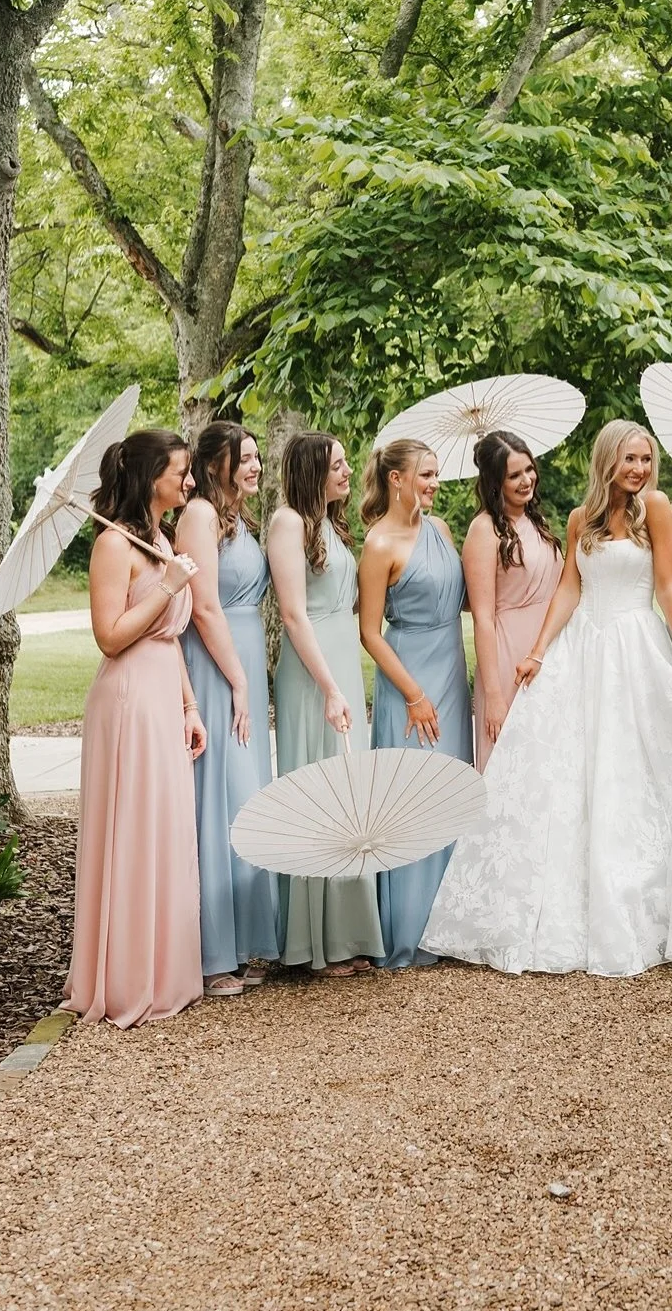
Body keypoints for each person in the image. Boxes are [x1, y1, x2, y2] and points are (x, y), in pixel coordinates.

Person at [422, 421, 672, 976]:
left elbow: (666, 587)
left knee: (636, 771)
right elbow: (568, 589)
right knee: (569, 770)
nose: (640, 468)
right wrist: (538, 650)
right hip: (583, 646)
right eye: (630, 458)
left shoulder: (655, 507)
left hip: (635, 645)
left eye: (646, 458)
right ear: (609, 461)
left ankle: (643, 906)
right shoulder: (580, 518)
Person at [64, 430, 205, 1026]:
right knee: (129, 829)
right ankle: (121, 980)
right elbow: (111, 636)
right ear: (151, 478)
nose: (190, 482)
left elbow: (170, 639)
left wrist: (189, 706)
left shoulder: (161, 539)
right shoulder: (111, 547)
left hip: (161, 695)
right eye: (180, 472)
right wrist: (169, 585)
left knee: (164, 827)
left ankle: (163, 970)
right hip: (124, 701)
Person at [269, 432, 383, 975]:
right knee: (318, 790)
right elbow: (294, 614)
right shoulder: (288, 522)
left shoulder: (333, 527)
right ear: (313, 469)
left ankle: (348, 932)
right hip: (311, 673)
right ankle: (315, 944)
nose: (346, 471)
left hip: (341, 663)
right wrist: (331, 687)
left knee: (349, 793)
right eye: (337, 464)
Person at [358, 438, 472, 966]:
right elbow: (370, 633)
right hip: (411, 677)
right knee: (414, 793)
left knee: (450, 786)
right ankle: (411, 927)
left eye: (436, 473)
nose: (434, 483)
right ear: (396, 479)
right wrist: (414, 695)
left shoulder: (441, 530)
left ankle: (451, 922)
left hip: (452, 666)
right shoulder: (379, 544)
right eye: (425, 474)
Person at [177, 422, 280, 999]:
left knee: (248, 792)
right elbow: (204, 606)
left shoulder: (242, 520)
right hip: (215, 665)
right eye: (245, 458)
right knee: (218, 793)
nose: (256, 466)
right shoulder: (199, 516)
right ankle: (215, 949)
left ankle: (250, 937)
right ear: (217, 464)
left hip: (241, 664)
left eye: (258, 458)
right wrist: (239, 680)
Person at [461, 431, 563, 770]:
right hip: (508, 656)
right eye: (514, 475)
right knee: (511, 759)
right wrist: (492, 693)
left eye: (529, 470)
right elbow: (483, 618)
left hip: (550, 651)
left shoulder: (537, 522)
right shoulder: (484, 529)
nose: (526, 480)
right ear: (495, 482)